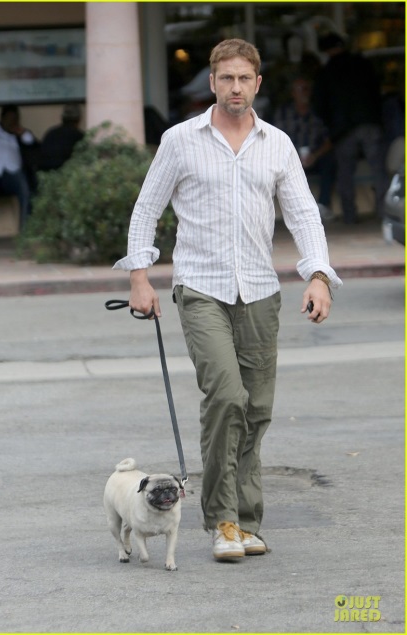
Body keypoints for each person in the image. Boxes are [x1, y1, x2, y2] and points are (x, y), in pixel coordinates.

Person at [114, 39, 342, 562]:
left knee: (257, 409)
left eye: (244, 79)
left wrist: (319, 276)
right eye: (226, 79)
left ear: (257, 84)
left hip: (259, 290)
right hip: (200, 287)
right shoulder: (180, 140)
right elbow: (146, 210)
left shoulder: (277, 144)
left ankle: (247, 520)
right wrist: (139, 279)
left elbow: (304, 215)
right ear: (212, 83)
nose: (235, 88)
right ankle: (223, 520)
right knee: (226, 398)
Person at [312, 32, 389, 224]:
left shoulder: (326, 71)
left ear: (326, 50)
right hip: (369, 121)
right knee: (378, 170)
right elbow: (377, 91)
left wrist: (331, 125)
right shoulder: (363, 64)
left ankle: (349, 215)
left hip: (343, 128)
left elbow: (319, 104)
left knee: (345, 172)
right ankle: (385, 214)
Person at [273, 76, 336, 221]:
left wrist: (315, 156)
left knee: (329, 161)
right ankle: (293, 211)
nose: (304, 93)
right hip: (288, 159)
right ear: (293, 93)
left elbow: (328, 141)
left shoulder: (316, 114)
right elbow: (273, 140)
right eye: (299, 90)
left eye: (306, 89)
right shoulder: (283, 114)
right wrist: (292, 156)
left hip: (312, 159)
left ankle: (323, 205)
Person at [0, 104, 38, 239]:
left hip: (12, 172)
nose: (12, 122)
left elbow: (32, 143)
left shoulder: (19, 134)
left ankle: (26, 233)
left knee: (25, 190)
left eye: (15, 119)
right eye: (9, 118)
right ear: (1, 118)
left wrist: (22, 132)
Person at [38, 104, 84, 171]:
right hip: (65, 175)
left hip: (46, 174)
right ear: (78, 119)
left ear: (62, 118)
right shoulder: (78, 136)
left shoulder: (51, 133)